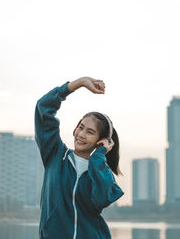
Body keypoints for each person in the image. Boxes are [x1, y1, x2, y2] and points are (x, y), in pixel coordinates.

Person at [34, 77, 124, 239]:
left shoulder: (101, 172)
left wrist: (98, 157)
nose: (82, 135)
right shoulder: (55, 155)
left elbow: (101, 199)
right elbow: (43, 108)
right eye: (81, 128)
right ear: (75, 129)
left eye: (90, 132)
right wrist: (79, 83)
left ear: (100, 141)